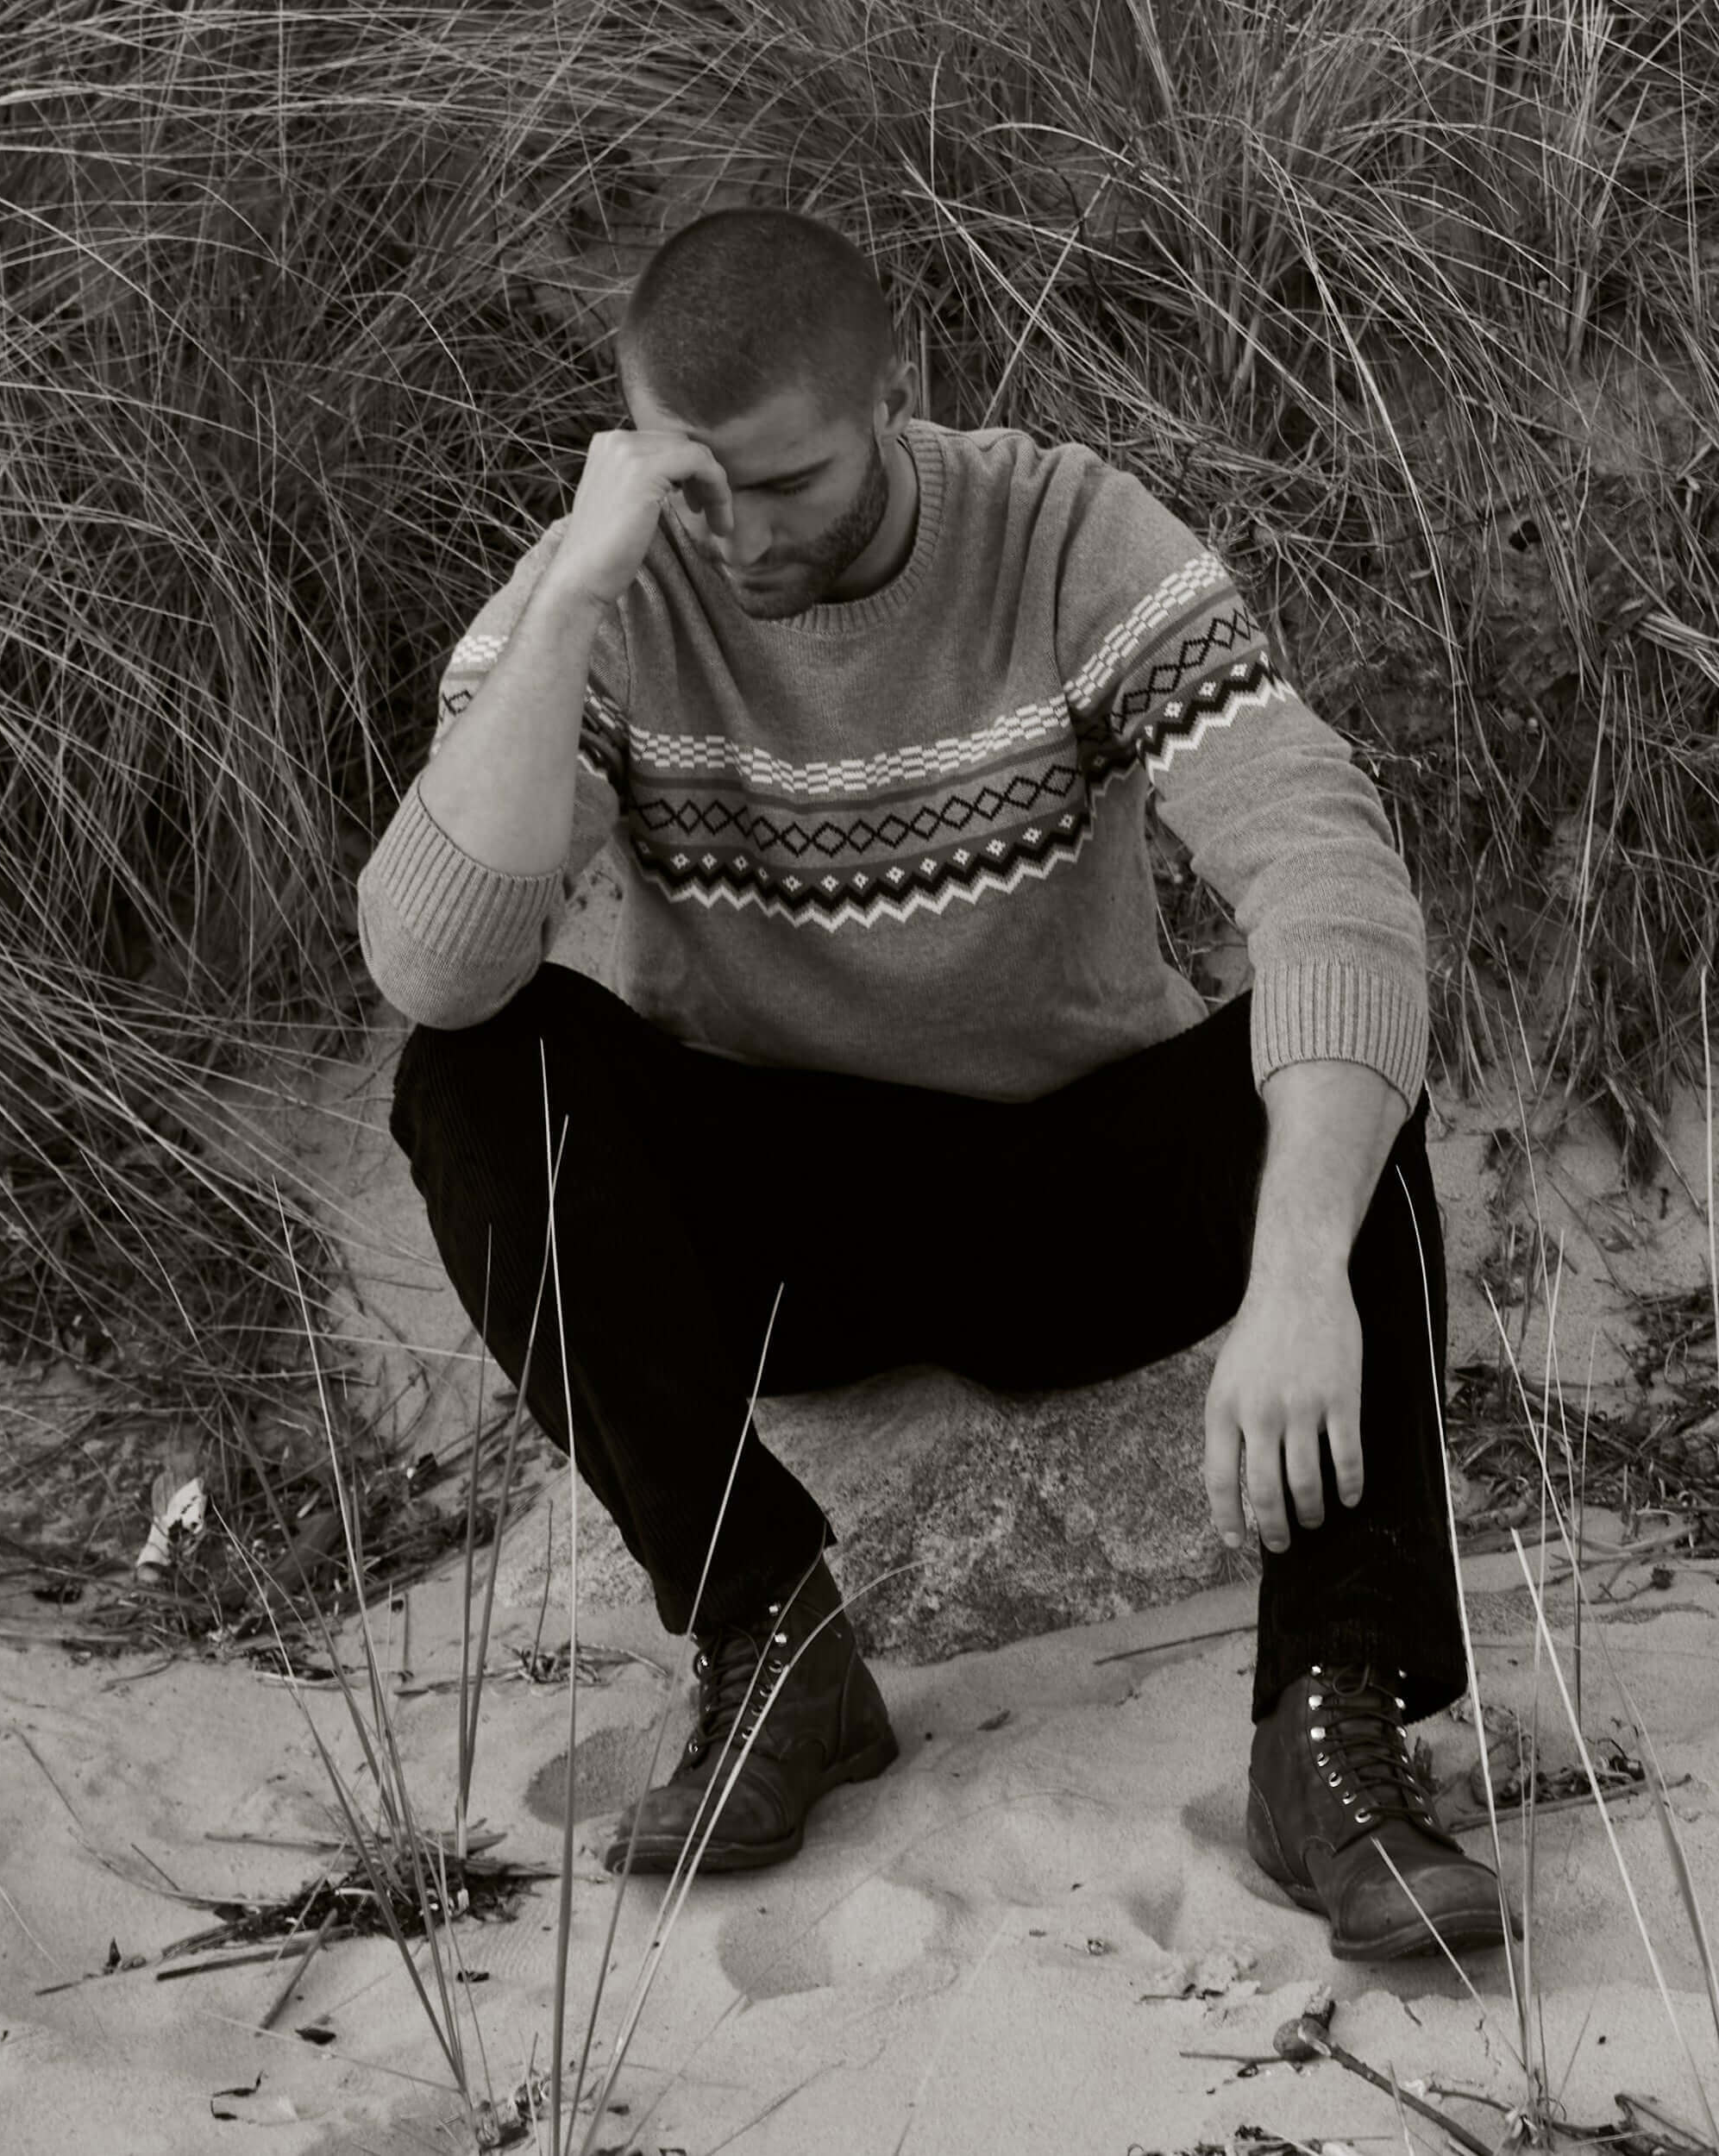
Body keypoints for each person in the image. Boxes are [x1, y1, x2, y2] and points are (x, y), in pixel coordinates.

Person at [358, 206, 1517, 1964]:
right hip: (784, 1233)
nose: (738, 535)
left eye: (789, 480)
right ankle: (771, 1638)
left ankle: (1326, 1738)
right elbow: (436, 961)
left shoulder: (1063, 531)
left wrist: (1291, 1278)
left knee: (1350, 1059)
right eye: (694, 483)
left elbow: (1327, 871)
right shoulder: (613, 579)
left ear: (897, 393)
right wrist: (580, 585)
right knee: (471, 1070)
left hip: (1072, 1183)